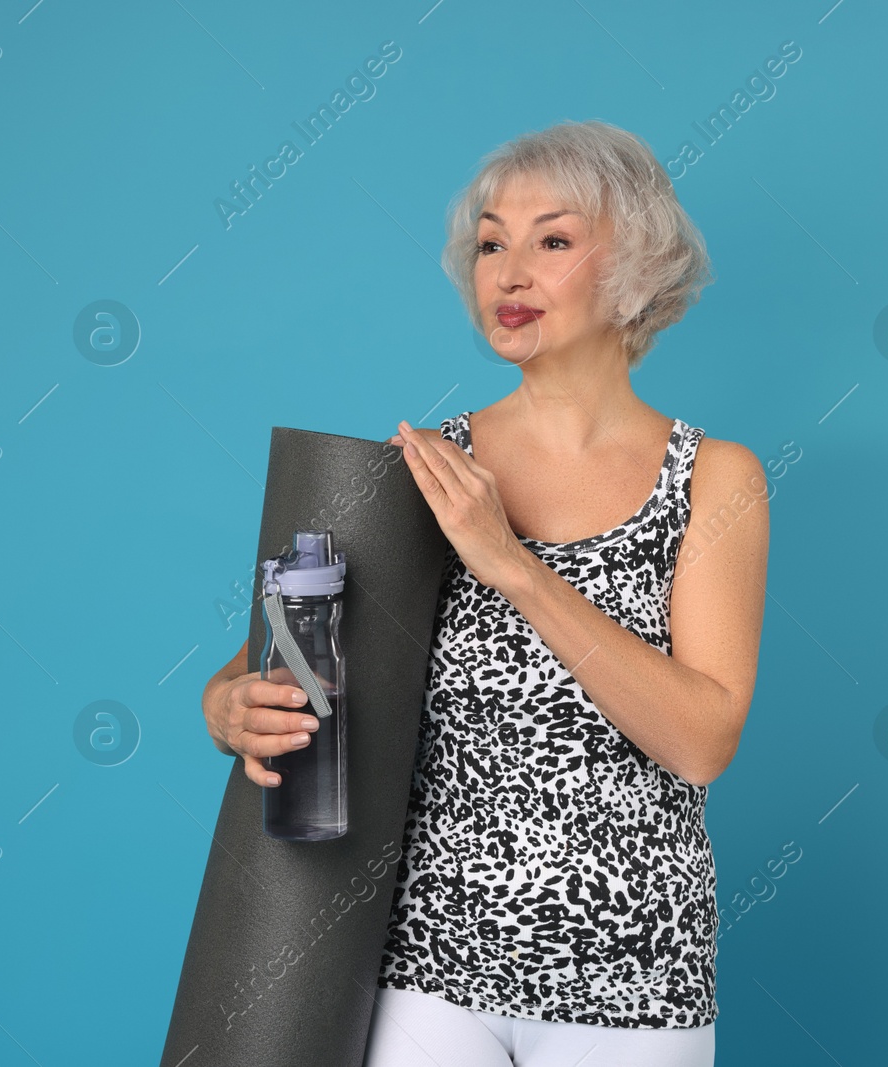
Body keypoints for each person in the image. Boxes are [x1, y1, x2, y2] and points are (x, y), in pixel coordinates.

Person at [200, 119, 768, 1067]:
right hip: (425, 969)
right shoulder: (421, 469)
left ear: (636, 262)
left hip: (633, 975)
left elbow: (701, 740)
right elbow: (278, 659)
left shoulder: (714, 479)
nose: (509, 272)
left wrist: (508, 562)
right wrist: (226, 707)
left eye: (552, 239)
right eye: (491, 243)